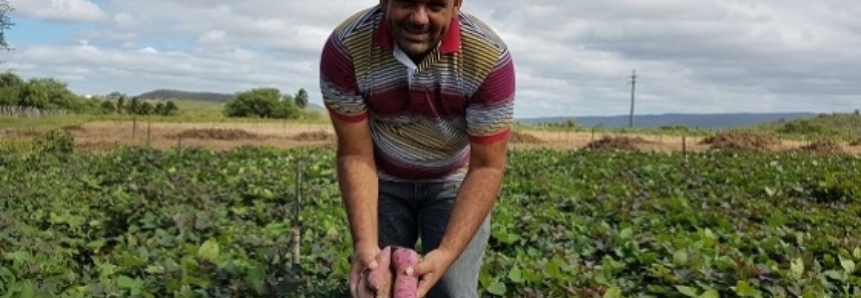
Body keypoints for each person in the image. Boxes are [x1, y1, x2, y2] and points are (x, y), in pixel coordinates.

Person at [318, 0, 515, 297]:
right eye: (407, 2)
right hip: (384, 176)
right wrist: (366, 243)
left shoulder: (488, 58)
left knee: (452, 290)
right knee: (376, 285)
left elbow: (486, 166)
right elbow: (355, 154)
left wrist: (447, 252)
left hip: (452, 178)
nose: (420, 18)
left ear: (457, 4)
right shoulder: (346, 50)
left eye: (435, 5)